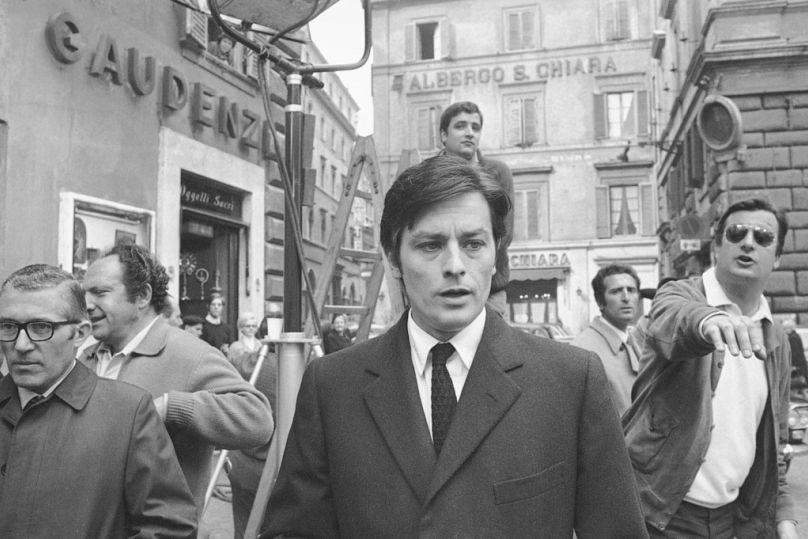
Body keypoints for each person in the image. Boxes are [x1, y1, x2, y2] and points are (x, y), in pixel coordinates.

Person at [263, 155, 646, 538]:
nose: (455, 265)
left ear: (497, 254)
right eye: (431, 245)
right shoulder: (332, 386)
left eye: (473, 243)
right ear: (393, 257)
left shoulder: (570, 380)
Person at [623, 198, 797, 538]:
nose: (748, 242)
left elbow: (775, 450)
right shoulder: (678, 295)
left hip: (730, 520)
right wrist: (711, 321)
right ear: (717, 245)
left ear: (776, 257)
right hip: (658, 513)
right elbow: (674, 321)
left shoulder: (776, 339)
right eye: (736, 233)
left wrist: (785, 521)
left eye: (762, 237)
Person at [0, 264, 197, 537]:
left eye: (41, 327)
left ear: (79, 334)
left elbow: (170, 528)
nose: (21, 344)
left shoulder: (127, 413)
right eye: (8, 326)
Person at [79, 243, 274, 511]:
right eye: (85, 294)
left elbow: (258, 420)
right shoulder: (85, 356)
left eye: (100, 293)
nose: (87, 305)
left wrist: (172, 407)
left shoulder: (190, 353)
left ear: (142, 296)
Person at [439, 101, 514, 316]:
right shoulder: (426, 174)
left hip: (489, 287)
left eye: (475, 127)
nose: (469, 133)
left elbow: (504, 233)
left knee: (490, 347)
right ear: (444, 135)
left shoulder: (498, 173)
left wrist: (474, 267)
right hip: (442, 283)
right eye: (461, 126)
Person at [571, 263, 642, 415]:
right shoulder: (582, 349)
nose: (626, 298)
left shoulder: (635, 341)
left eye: (631, 290)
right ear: (600, 301)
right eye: (616, 291)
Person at [229, 311, 263, 378]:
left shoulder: (261, 345)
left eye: (254, 326)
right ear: (241, 328)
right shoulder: (235, 347)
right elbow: (230, 368)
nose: (251, 328)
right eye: (248, 326)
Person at [782, 318, 808, 387]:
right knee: (800, 386)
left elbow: (795, 354)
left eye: (785, 328)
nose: (783, 330)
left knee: (796, 384)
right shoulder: (796, 335)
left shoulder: (792, 338)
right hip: (801, 365)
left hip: (797, 366)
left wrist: (793, 366)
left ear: (790, 328)